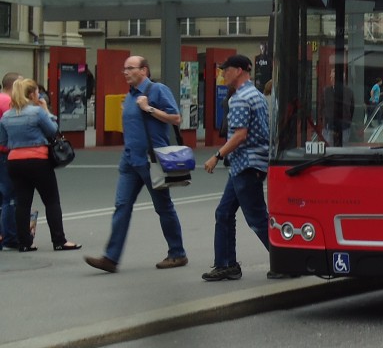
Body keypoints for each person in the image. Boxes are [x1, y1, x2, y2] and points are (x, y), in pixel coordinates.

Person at [84, 56, 188, 273]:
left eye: (130, 68)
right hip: (130, 161)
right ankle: (111, 258)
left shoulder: (157, 90)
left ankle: (177, 253)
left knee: (163, 207)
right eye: (124, 69)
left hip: (152, 160)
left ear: (144, 70)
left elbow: (176, 118)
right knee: (122, 206)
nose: (125, 72)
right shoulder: (130, 96)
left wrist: (149, 108)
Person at [201, 55, 283, 281]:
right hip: (248, 165)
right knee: (224, 213)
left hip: (245, 164)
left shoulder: (239, 98)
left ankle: (284, 261)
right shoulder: (256, 94)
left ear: (238, 71)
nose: (222, 73)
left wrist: (216, 156)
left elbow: (239, 135)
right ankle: (226, 264)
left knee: (257, 218)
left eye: (225, 69)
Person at [0, 78, 80, 252]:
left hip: (14, 160)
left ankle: (24, 243)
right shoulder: (37, 112)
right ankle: (59, 240)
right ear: (31, 94)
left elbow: (3, 141)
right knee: (51, 200)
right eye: (37, 92)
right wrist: (46, 110)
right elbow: (52, 130)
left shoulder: (7, 115)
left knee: (22, 202)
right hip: (38, 159)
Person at [0, 71, 21, 250]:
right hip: (5, 152)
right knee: (10, 196)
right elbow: (14, 125)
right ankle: (10, 238)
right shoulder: (7, 102)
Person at [322, 66, 355, 145]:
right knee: (329, 146)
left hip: (344, 125)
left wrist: (348, 120)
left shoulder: (349, 91)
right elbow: (322, 106)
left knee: (343, 146)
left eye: (333, 77)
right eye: (331, 77)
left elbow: (352, 108)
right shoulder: (326, 91)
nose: (331, 79)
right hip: (329, 124)